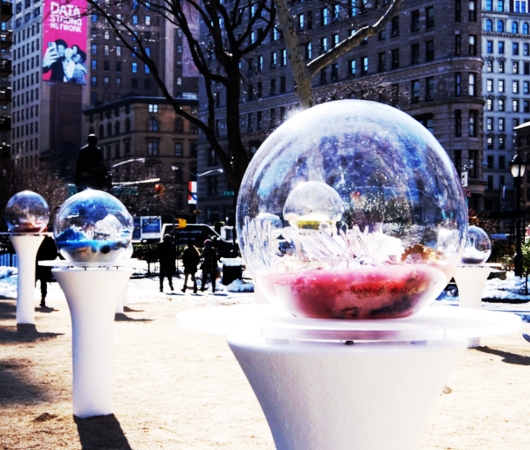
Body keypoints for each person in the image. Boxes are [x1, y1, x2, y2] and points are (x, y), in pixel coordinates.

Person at [35, 233, 58, 307]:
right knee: (43, 282)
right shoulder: (49, 240)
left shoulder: (36, 239)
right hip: (44, 264)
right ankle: (43, 298)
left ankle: (39, 298)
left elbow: (54, 253)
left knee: (35, 282)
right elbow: (54, 253)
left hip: (37, 263)